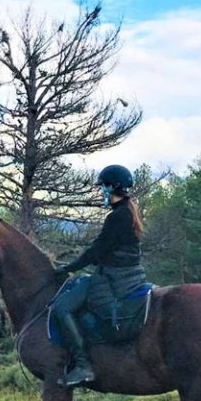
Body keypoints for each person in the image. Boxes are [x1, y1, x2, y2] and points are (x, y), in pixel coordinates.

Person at [52, 164, 145, 387]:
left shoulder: (117, 217)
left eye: (103, 187)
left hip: (114, 279)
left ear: (112, 187)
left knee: (62, 308)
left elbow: (97, 251)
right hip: (127, 274)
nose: (101, 191)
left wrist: (69, 268)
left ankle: (83, 365)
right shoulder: (127, 213)